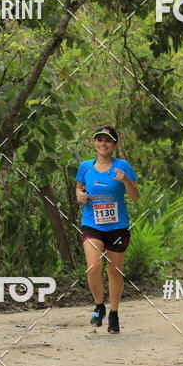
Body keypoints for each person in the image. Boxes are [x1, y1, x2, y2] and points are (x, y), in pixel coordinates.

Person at [76, 126, 139, 333]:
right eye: (99, 140)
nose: (103, 144)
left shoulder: (123, 166)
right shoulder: (85, 167)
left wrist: (125, 181)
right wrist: (80, 195)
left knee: (114, 271)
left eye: (108, 141)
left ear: (114, 145)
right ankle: (99, 306)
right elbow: (79, 189)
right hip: (91, 224)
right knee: (94, 266)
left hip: (117, 226)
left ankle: (114, 314)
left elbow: (135, 196)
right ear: (94, 143)